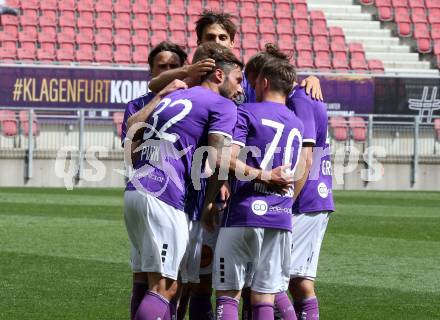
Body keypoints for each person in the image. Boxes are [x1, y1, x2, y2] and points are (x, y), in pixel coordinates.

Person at [124, 42, 243, 320]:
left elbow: (133, 137)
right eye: (237, 80)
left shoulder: (172, 97)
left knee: (160, 282)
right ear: (217, 75)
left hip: (136, 190)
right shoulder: (222, 105)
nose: (240, 88)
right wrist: (207, 203)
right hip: (166, 197)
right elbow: (218, 161)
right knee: (166, 286)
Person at [205, 58, 305, 320]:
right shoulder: (297, 123)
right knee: (264, 296)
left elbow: (225, 160)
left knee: (228, 295)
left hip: (244, 213)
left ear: (263, 82)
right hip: (281, 217)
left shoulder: (247, 112)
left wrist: (263, 175)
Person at [121, 41, 188, 320]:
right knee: (161, 282)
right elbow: (131, 154)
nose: (170, 72)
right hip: (158, 196)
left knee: (163, 278)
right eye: (163, 67)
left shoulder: (194, 101)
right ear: (152, 72)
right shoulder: (137, 105)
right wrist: (159, 98)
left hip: (179, 197)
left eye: (175, 67)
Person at [287, 70, 335, 320]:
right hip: (305, 196)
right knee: (295, 280)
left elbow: (305, 156)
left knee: (287, 280)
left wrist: (285, 203)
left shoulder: (300, 98)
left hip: (305, 198)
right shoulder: (299, 95)